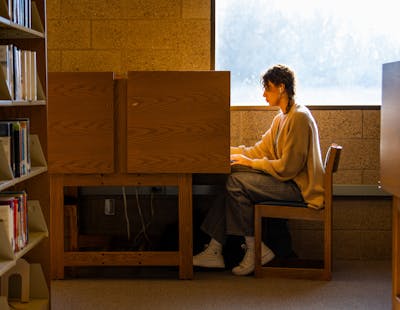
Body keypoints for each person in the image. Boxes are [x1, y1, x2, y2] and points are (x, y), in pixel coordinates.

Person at [193, 64, 325, 276]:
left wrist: (249, 162)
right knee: (233, 175)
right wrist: (225, 152)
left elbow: (288, 168)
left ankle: (255, 250)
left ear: (281, 87)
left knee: (235, 183)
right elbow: (258, 150)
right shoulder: (282, 117)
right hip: (288, 182)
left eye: (268, 88)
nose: (264, 94)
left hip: (299, 189)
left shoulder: (299, 117)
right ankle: (215, 249)